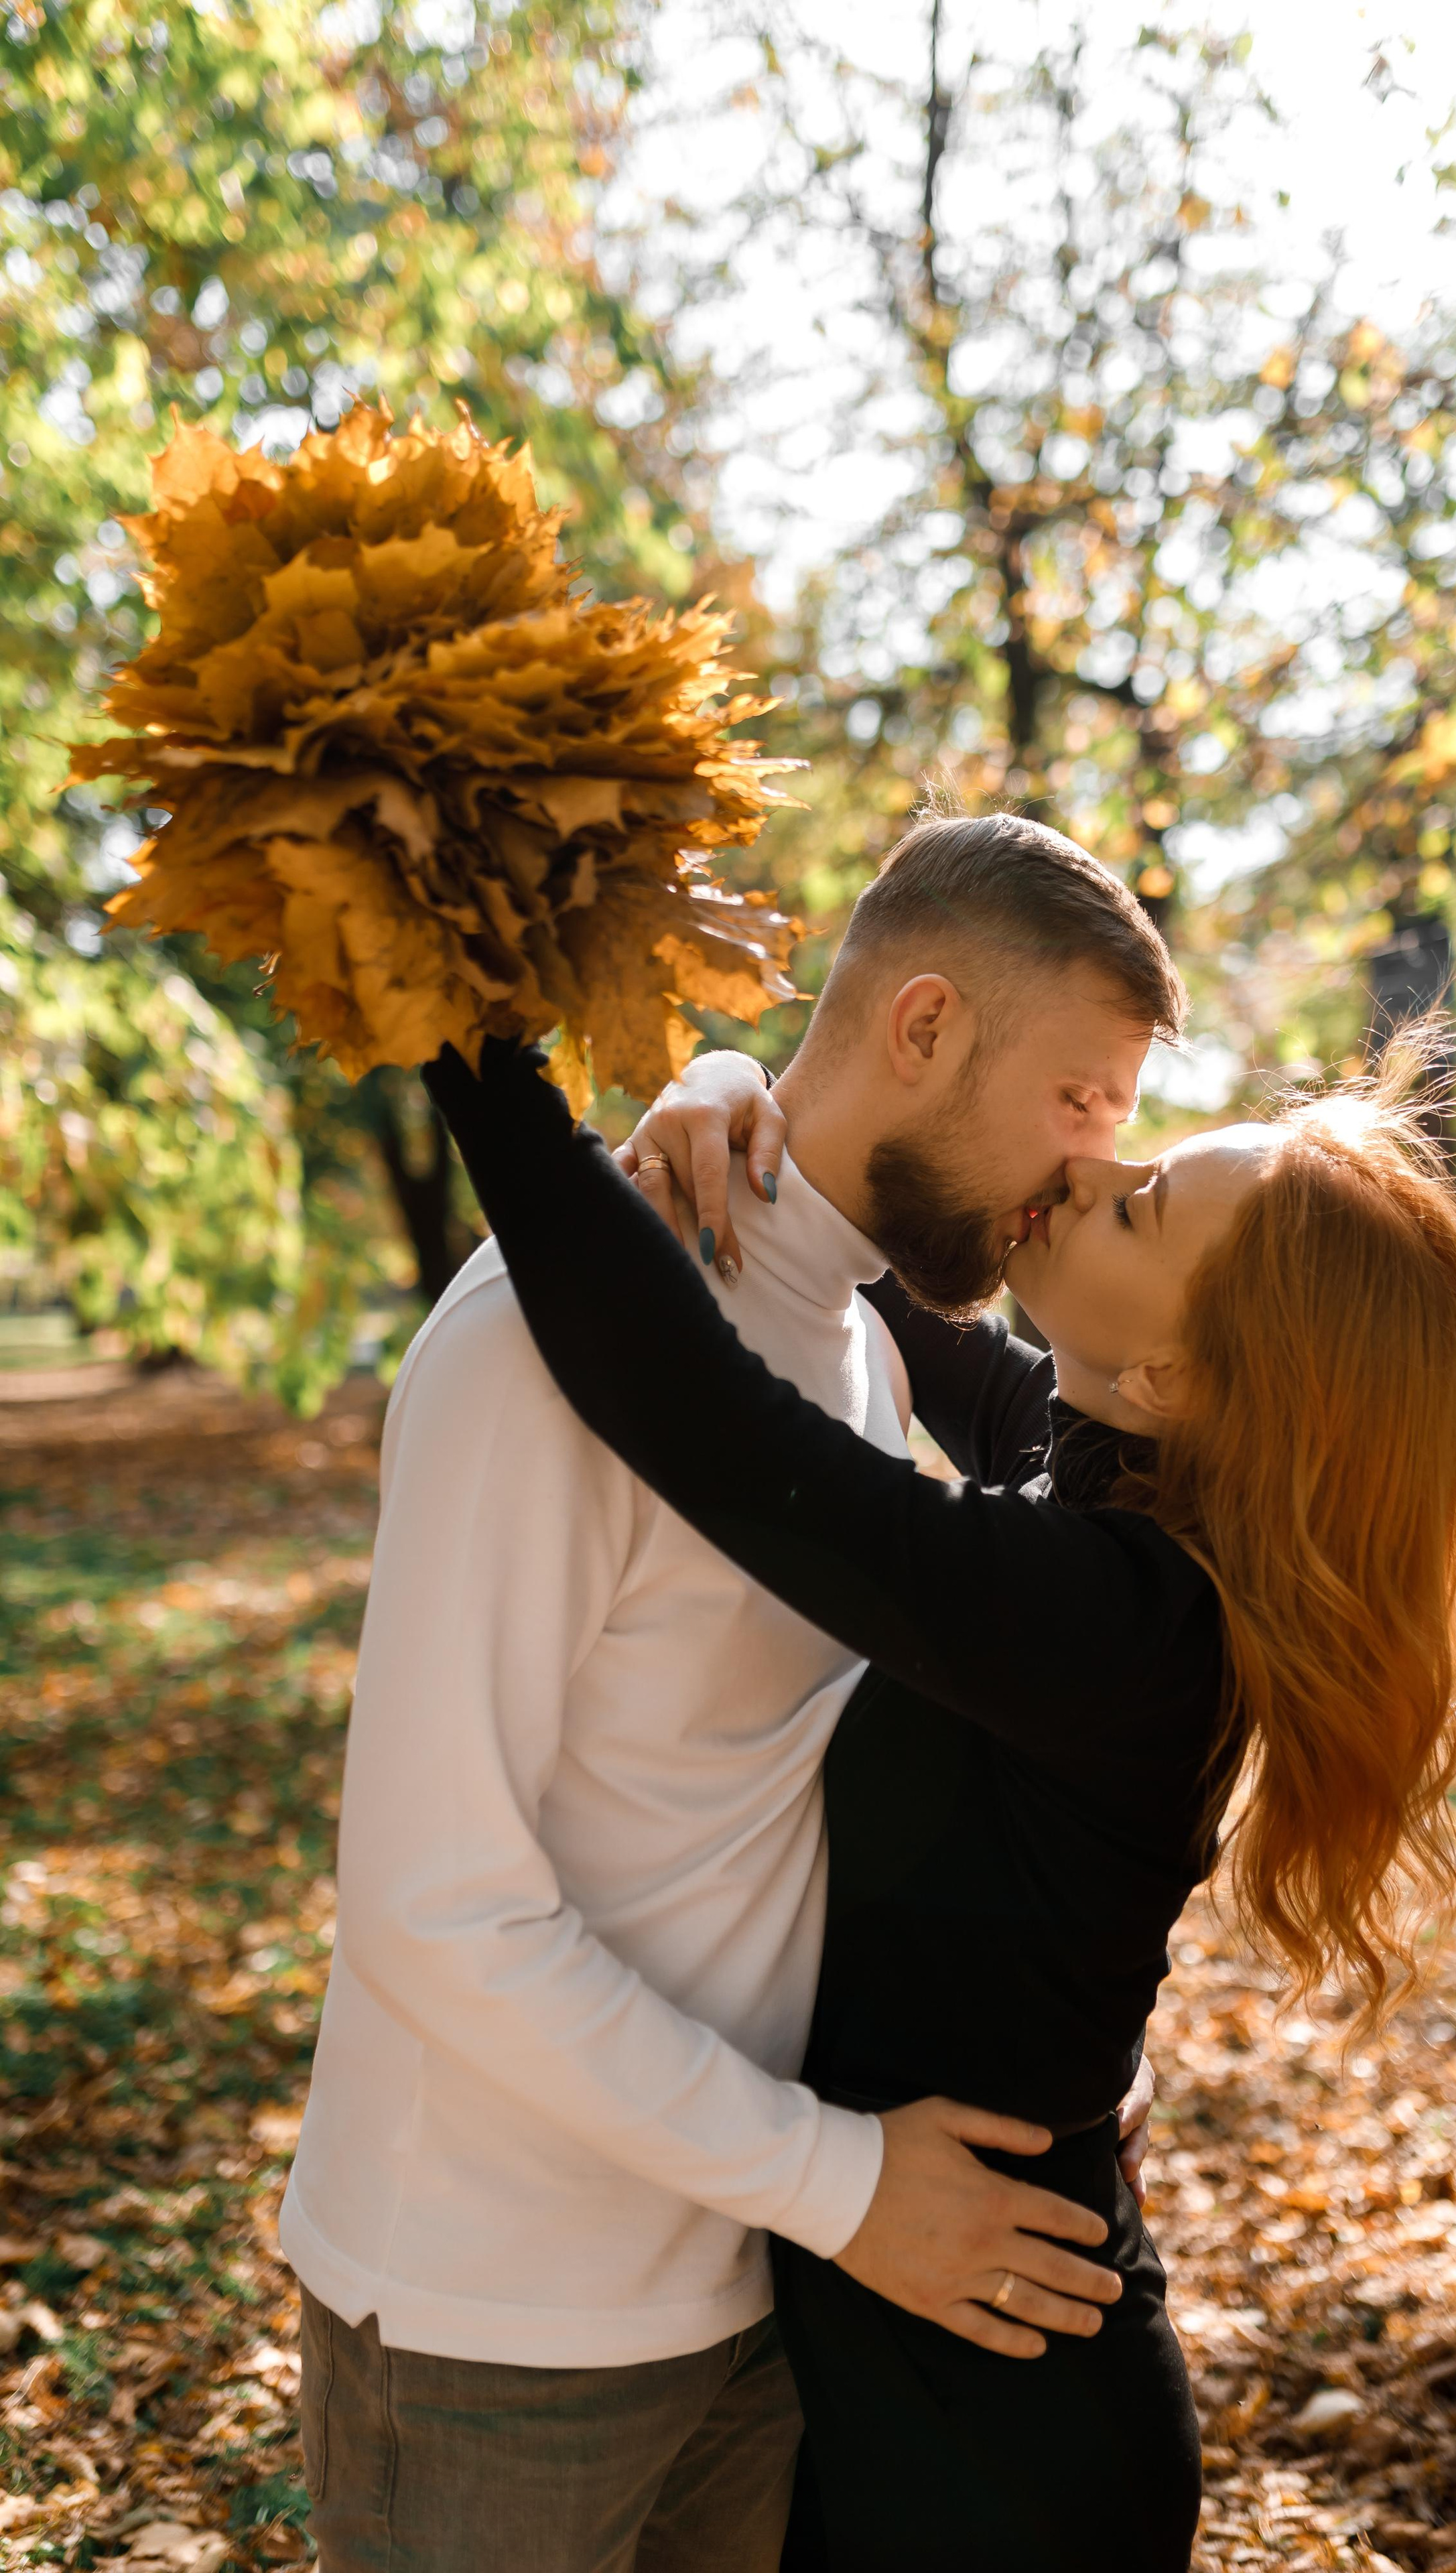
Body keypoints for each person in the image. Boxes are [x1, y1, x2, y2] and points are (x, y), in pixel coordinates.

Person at [423, 1016, 1456, 2573]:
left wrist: (474, 1041)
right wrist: (732, 1090)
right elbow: (857, 1252)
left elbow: (707, 1424)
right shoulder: (1113, 1470)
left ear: (1178, 1370)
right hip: (930, 2321)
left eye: (1135, 1206)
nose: (1086, 1170)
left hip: (1000, 2432)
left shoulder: (1122, 1617)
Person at [283, 813, 1182, 2572]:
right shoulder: (556, 1336)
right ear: (923, 1027)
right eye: (1082, 1102)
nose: (1088, 1169)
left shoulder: (847, 1335)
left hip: (762, 2297)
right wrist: (841, 2189)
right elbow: (430, 1903)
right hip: (501, 2324)